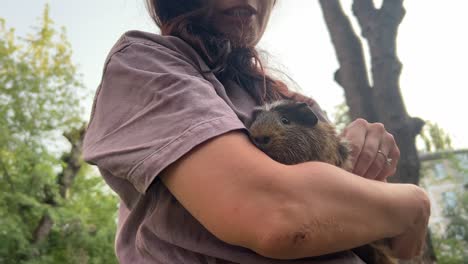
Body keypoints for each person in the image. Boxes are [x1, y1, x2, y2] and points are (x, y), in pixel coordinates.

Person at [83, 0, 431, 263]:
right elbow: (280, 217)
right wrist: (414, 202)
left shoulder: (289, 100)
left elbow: (401, 243)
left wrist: (363, 170)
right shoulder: (146, 64)